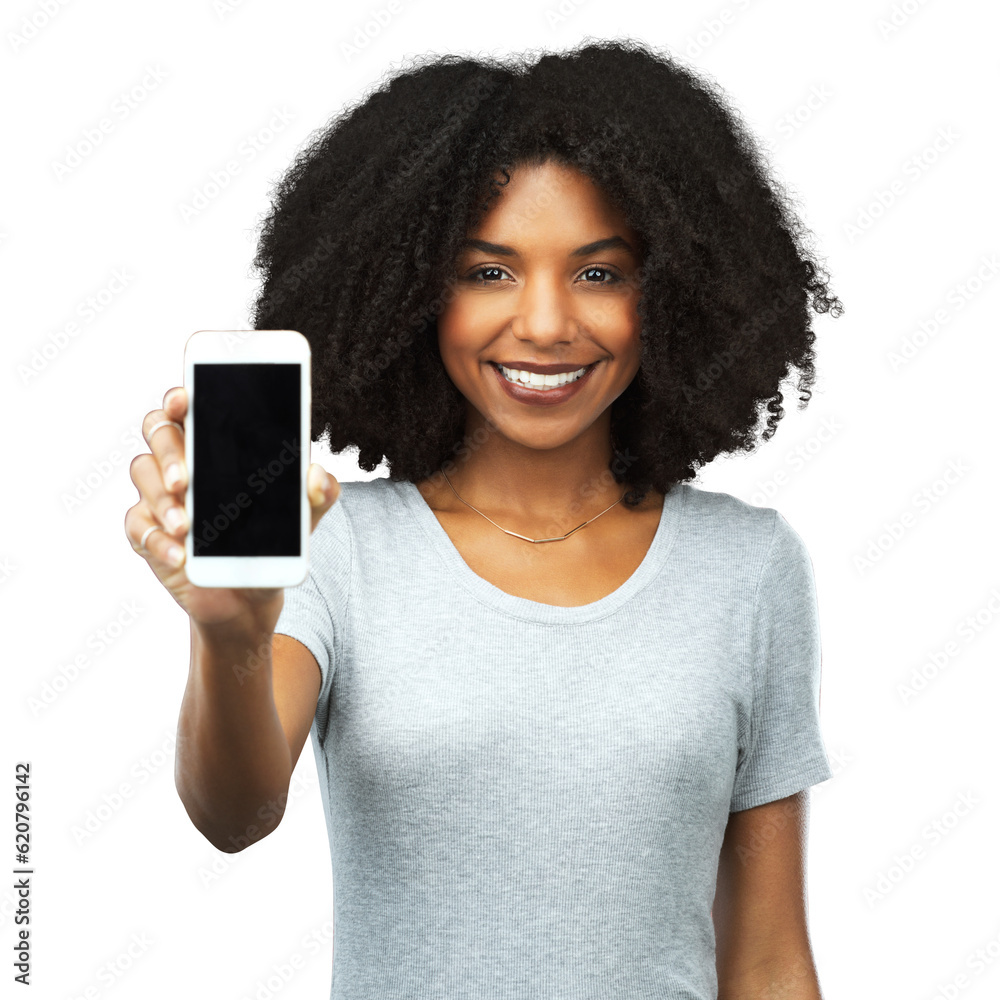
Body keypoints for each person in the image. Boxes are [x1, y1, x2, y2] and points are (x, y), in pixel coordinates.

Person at [125, 38, 842, 1000]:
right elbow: (235, 810)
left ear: (669, 293)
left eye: (599, 273)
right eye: (487, 272)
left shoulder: (747, 569)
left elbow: (767, 959)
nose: (545, 323)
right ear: (412, 292)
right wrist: (229, 637)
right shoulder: (339, 546)